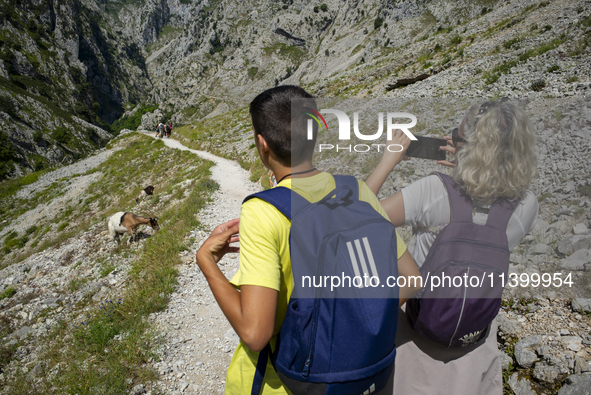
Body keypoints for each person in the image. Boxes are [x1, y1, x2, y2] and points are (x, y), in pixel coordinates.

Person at [196, 86, 420, 395]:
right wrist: (353, 323)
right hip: (369, 374)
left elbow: (255, 333)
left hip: (291, 384)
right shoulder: (357, 190)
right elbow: (411, 278)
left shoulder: (263, 211)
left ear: (262, 145)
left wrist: (207, 263)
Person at [366, 101, 539, 394]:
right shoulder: (527, 206)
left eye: (455, 137)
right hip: (475, 345)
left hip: (416, 340)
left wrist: (388, 161)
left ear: (471, 148)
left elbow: (355, 220)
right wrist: (469, 170)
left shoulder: (432, 191)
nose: (448, 141)